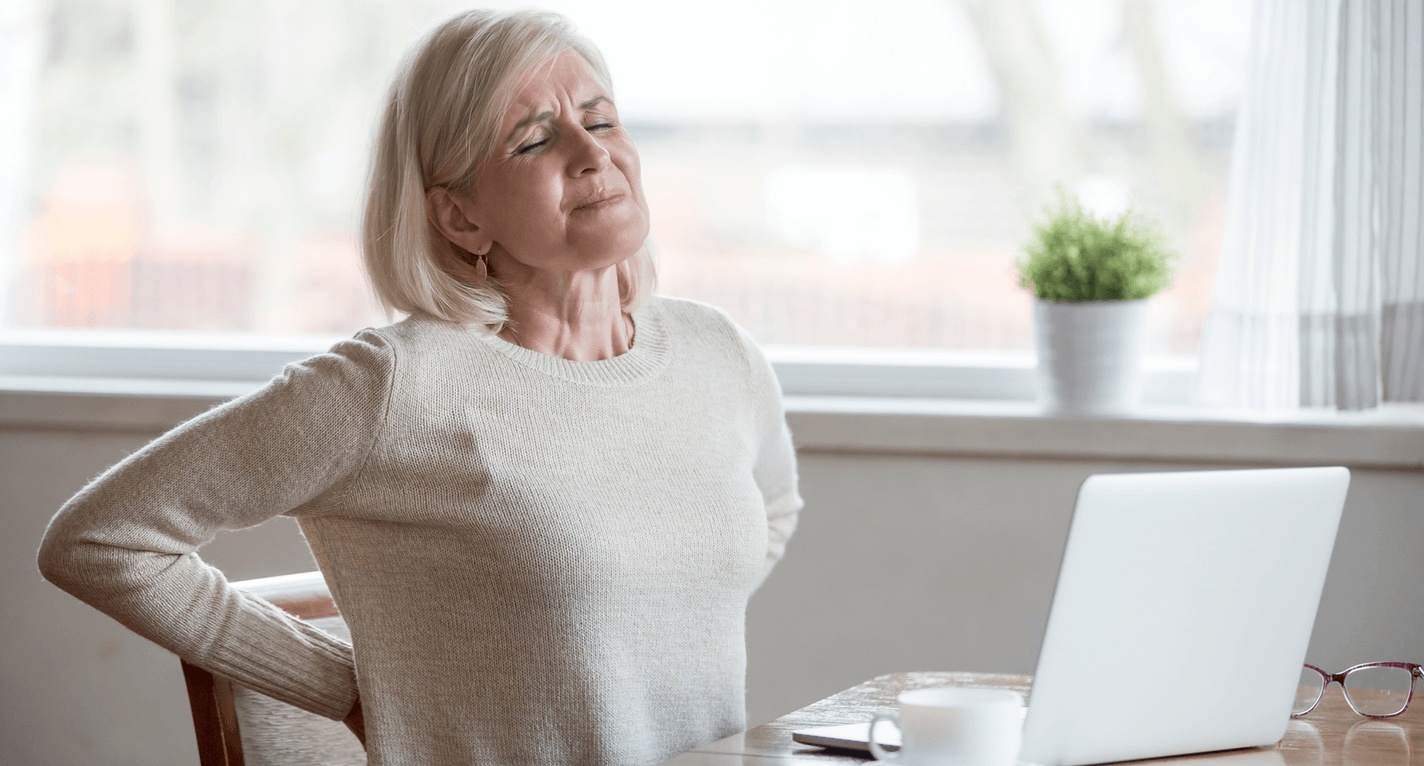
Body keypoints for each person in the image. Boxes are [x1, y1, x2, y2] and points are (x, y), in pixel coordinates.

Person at [36, 10, 802, 766]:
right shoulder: (393, 388)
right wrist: (345, 687)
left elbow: (772, 506)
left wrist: (649, 602)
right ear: (461, 217)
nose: (591, 155)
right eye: (535, 138)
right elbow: (100, 541)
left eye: (600, 121)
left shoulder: (717, 351)